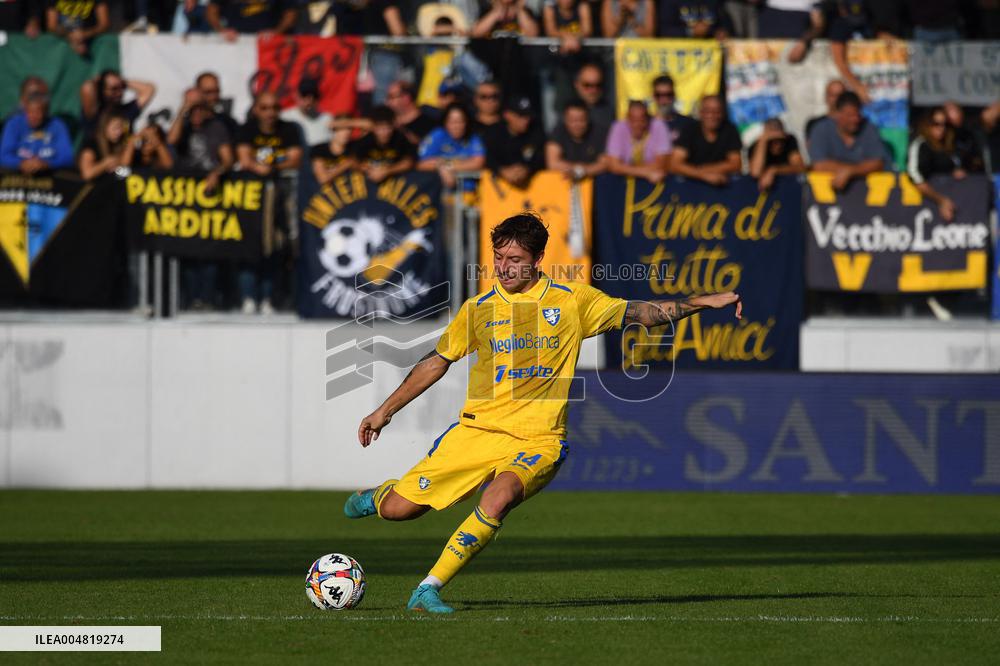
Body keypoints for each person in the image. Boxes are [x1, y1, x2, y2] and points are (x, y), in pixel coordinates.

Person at [345, 212, 743, 614]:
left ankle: (428, 588)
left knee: (498, 498)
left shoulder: (573, 301)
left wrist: (703, 303)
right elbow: (437, 361)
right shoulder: (478, 308)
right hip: (478, 432)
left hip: (540, 440)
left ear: (537, 259)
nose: (503, 267)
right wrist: (385, 411)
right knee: (400, 510)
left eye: (514, 258)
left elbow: (644, 313)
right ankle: (378, 496)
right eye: (499, 257)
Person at [235, 91, 303, 315]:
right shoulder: (247, 129)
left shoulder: (289, 129)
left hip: (281, 198)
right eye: (264, 108)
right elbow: (245, 159)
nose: (270, 113)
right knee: (249, 247)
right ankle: (247, 297)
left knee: (275, 247)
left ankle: (268, 298)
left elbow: (295, 157)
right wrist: (262, 166)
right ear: (256, 109)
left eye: (274, 108)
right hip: (252, 200)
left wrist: (270, 166)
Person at [807, 91, 889, 190]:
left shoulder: (868, 128)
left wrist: (850, 171)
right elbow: (819, 165)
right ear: (837, 114)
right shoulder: (821, 129)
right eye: (850, 115)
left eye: (857, 115)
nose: (855, 119)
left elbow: (878, 163)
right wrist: (857, 169)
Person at [906, 108, 965, 221]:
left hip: (954, 205)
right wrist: (941, 200)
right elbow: (914, 175)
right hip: (923, 205)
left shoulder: (950, 146)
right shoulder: (921, 145)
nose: (941, 128)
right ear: (927, 125)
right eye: (936, 124)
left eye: (944, 124)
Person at [671, 95, 743, 185]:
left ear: (723, 113)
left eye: (717, 111)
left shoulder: (730, 130)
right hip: (690, 186)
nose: (712, 115)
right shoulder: (690, 129)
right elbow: (675, 164)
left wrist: (705, 170)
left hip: (721, 187)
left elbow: (736, 164)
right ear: (701, 113)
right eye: (707, 111)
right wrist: (703, 175)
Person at [417, 103, 486, 192]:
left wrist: (447, 166)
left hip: (469, 193)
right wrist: (439, 166)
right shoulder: (438, 135)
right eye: (452, 121)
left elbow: (478, 162)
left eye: (460, 121)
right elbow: (421, 163)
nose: (456, 126)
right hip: (439, 194)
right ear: (445, 122)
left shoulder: (473, 137)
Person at [0, 94, 74, 174]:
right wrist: (21, 163)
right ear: (25, 111)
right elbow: (4, 155)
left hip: (49, 179)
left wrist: (47, 164)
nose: (33, 116)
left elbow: (67, 157)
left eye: (38, 112)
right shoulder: (14, 124)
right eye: (30, 112)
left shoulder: (57, 126)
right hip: (15, 178)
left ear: (46, 112)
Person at [484, 96, 547, 189]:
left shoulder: (536, 133)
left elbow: (541, 157)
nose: (526, 120)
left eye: (528, 116)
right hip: (499, 193)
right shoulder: (494, 133)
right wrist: (501, 170)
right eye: (520, 116)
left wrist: (527, 168)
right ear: (507, 115)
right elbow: (487, 157)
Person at [604, 100, 671, 183]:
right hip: (624, 182)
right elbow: (614, 165)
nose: (638, 124)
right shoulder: (618, 127)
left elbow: (661, 163)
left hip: (653, 181)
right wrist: (645, 173)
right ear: (627, 118)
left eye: (642, 120)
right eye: (634, 120)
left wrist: (625, 168)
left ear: (648, 118)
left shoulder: (659, 126)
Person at [79, 70, 156, 139]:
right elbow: (87, 88)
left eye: (121, 88)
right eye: (114, 89)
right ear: (102, 90)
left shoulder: (126, 111)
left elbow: (149, 89)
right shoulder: (94, 112)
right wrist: (96, 80)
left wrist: (123, 82)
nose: (119, 93)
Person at [350, 105, 417, 184]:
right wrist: (369, 170)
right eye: (380, 128)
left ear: (393, 126)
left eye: (388, 128)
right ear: (373, 127)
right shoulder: (365, 141)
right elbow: (353, 161)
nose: (384, 132)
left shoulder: (400, 139)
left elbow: (409, 162)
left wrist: (386, 171)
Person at [545, 99, 608, 179]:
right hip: (564, 183)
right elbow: (552, 163)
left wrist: (583, 171)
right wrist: (577, 169)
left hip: (596, 183)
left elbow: (604, 163)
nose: (577, 125)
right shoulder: (558, 132)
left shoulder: (600, 132)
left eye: (581, 120)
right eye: (573, 120)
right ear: (565, 120)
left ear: (588, 119)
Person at [748, 117, 806, 190]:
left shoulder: (790, 141)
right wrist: (763, 141)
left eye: (780, 140)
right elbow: (755, 172)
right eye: (772, 140)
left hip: (789, 187)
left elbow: (800, 167)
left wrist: (774, 170)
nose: (777, 145)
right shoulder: (756, 145)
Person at [77, 111, 133, 180]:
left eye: (121, 128)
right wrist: (105, 163)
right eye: (115, 127)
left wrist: (131, 145)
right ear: (105, 126)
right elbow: (87, 174)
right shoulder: (92, 145)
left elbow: (124, 167)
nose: (119, 132)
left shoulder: (117, 144)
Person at [281, 78, 333, 148]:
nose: (309, 100)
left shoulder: (327, 118)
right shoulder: (284, 117)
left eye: (314, 96)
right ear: (296, 95)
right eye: (304, 95)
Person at [205, 0, 297, 39]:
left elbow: (290, 13)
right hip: (234, 40)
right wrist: (221, 30)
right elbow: (211, 10)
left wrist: (276, 32)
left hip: (269, 44)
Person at [386, 81, 439, 147]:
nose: (387, 102)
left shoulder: (430, 123)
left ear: (406, 98)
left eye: (391, 97)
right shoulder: (387, 122)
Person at [572, 63, 613, 143]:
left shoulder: (611, 114)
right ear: (576, 84)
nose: (593, 90)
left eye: (598, 85)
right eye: (587, 85)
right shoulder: (567, 112)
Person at [311, 117, 355, 186]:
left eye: (349, 128)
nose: (347, 132)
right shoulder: (319, 149)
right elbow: (323, 179)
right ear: (333, 129)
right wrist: (347, 164)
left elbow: (371, 125)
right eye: (342, 128)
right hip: (327, 194)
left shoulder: (355, 147)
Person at [651, 75, 695, 143]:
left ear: (674, 95)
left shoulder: (687, 124)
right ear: (654, 97)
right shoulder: (646, 125)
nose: (663, 100)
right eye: (659, 95)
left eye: (668, 95)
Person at [804, 79, 846, 146]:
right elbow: (813, 150)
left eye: (840, 95)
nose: (837, 99)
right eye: (833, 95)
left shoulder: (856, 123)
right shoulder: (814, 124)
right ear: (826, 97)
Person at [658, 0, 730, 38]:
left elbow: (725, 26)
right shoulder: (671, 2)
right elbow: (663, 30)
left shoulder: (715, 2)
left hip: (711, 56)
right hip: (681, 55)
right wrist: (691, 32)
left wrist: (719, 33)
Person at [471, 0, 540, 37]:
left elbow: (533, 34)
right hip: (490, 59)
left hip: (519, 58)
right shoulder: (487, 11)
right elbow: (476, 33)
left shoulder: (526, 12)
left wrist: (519, 10)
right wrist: (495, 14)